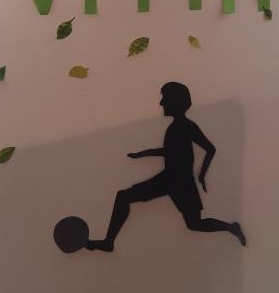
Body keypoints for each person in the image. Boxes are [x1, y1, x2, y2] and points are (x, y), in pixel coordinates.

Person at [86, 82, 246, 252]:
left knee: (194, 224)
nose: (161, 103)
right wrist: (142, 154)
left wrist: (202, 174)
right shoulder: (175, 127)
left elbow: (210, 149)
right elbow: (170, 152)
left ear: (176, 102)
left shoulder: (186, 126)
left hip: (180, 182)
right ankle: (108, 242)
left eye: (165, 99)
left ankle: (231, 228)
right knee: (124, 197)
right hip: (171, 179)